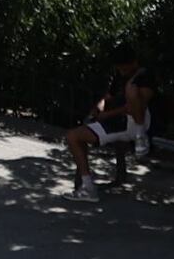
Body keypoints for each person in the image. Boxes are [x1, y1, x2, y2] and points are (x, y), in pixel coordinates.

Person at [63, 56, 155, 189]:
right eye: (120, 69)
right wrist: (98, 107)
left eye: (124, 68)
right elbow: (108, 96)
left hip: (128, 123)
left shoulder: (142, 83)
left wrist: (107, 115)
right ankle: (84, 183)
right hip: (116, 121)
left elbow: (133, 108)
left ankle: (87, 187)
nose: (122, 72)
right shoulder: (120, 77)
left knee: (74, 136)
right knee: (83, 128)